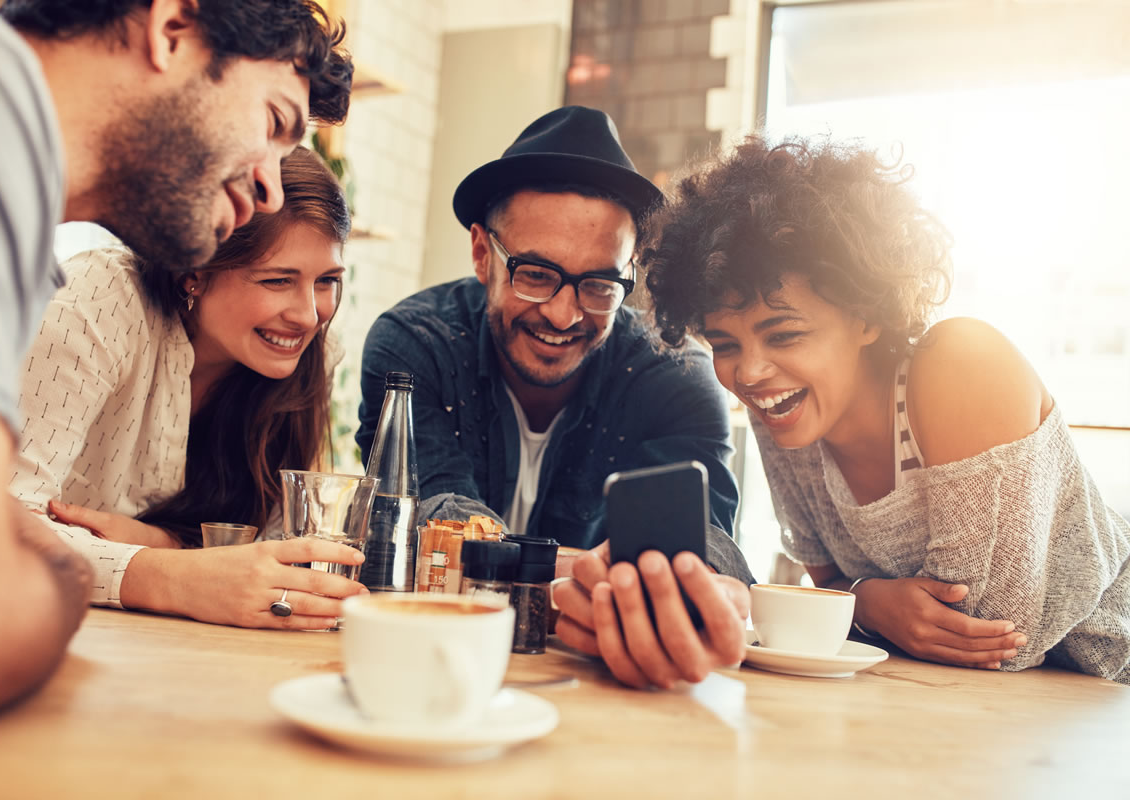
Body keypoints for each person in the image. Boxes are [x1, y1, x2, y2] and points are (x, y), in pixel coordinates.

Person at [0, 0, 350, 731]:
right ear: (172, 30)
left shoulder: (25, 233)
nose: (273, 191)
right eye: (275, 122)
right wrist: (72, 571)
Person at [643, 135, 1130, 683]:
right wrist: (869, 603)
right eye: (724, 345)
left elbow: (994, 638)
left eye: (784, 334)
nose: (748, 373)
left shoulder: (962, 363)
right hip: (992, 710)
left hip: (1110, 682)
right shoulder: (785, 409)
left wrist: (862, 606)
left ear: (868, 315)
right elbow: (830, 599)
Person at [357, 106, 754, 689]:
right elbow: (432, 527)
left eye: (598, 285)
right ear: (480, 253)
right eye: (537, 274)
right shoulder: (416, 347)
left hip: (600, 685)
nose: (564, 315)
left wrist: (698, 588)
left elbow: (706, 547)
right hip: (429, 668)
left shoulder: (675, 374)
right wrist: (591, 577)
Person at [11, 146, 367, 630]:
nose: (308, 315)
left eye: (326, 280)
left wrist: (164, 544)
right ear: (193, 274)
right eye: (278, 280)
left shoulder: (308, 357)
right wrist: (168, 575)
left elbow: (272, 549)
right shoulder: (97, 300)